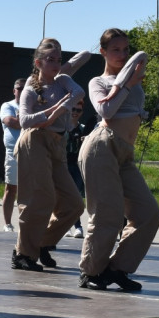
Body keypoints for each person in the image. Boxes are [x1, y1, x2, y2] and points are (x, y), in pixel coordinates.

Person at [77, 28, 158, 291]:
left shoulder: (131, 80)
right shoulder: (98, 82)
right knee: (106, 215)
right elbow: (106, 110)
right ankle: (90, 273)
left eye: (126, 50)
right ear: (103, 52)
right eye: (116, 50)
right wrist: (126, 85)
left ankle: (116, 268)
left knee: (148, 214)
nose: (122, 55)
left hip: (125, 153)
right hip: (102, 146)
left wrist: (130, 83)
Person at [12, 38, 85, 271]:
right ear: (38, 63)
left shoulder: (63, 80)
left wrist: (65, 67)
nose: (55, 63)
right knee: (38, 199)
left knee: (73, 204)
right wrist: (52, 112)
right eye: (50, 60)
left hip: (57, 144)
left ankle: (42, 243)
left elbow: (80, 85)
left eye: (58, 59)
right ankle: (23, 253)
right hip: (34, 141)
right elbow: (24, 121)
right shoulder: (31, 89)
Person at [0, 78, 25, 232]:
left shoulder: (32, 106)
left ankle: (25, 222)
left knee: (29, 189)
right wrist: (30, 121)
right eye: (19, 88)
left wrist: (24, 119)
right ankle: (7, 224)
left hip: (32, 151)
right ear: (14, 90)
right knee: (11, 188)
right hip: (13, 152)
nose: (21, 90)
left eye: (24, 88)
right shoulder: (7, 105)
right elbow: (10, 121)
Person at [64, 98, 87, 238]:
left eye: (78, 110)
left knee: (77, 197)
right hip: (64, 164)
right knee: (64, 196)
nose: (75, 113)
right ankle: (65, 225)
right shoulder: (63, 127)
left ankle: (77, 226)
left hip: (78, 165)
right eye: (73, 109)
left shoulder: (83, 129)